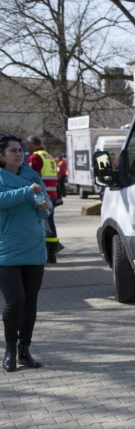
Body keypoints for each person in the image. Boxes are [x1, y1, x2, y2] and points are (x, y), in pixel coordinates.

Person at [0, 134, 49, 372]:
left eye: (20, 150)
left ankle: (24, 351)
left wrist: (43, 205)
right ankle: (9, 349)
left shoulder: (32, 174)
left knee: (30, 302)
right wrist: (28, 193)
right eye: (12, 150)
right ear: (2, 156)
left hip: (34, 248)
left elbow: (45, 208)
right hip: (6, 250)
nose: (19, 154)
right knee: (14, 301)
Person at [26, 136, 61, 263]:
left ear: (32, 144)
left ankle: (47, 253)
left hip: (41, 195)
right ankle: (52, 252)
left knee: (44, 224)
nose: (27, 147)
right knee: (50, 223)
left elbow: (32, 177)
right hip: (52, 194)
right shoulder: (48, 156)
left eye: (28, 144)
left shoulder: (35, 157)